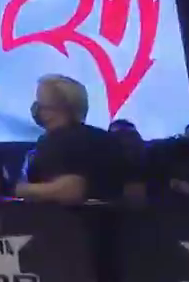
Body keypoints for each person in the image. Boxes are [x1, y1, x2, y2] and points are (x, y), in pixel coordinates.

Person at [16, 75, 126, 204]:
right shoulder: (107, 138)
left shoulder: (55, 141)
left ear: (62, 108)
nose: (37, 111)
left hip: (66, 216)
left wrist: (23, 190)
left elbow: (72, 190)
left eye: (42, 106)